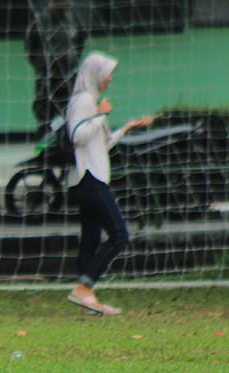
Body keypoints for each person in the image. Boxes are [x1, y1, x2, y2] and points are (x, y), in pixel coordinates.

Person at [65, 53, 153, 315]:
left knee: (91, 237)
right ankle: (84, 287)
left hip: (90, 176)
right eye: (106, 73)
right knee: (119, 234)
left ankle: (86, 301)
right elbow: (76, 136)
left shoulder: (90, 101)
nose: (110, 78)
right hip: (88, 177)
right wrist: (100, 114)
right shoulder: (84, 100)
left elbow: (100, 143)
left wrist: (126, 127)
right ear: (94, 74)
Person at [26, 0, 86, 134]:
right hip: (48, 75)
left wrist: (72, 61)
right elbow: (30, 47)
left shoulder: (74, 20)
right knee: (44, 110)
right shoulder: (40, 22)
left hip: (69, 73)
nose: (61, 3)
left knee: (70, 109)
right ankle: (45, 142)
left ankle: (67, 143)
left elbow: (81, 39)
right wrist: (42, 66)